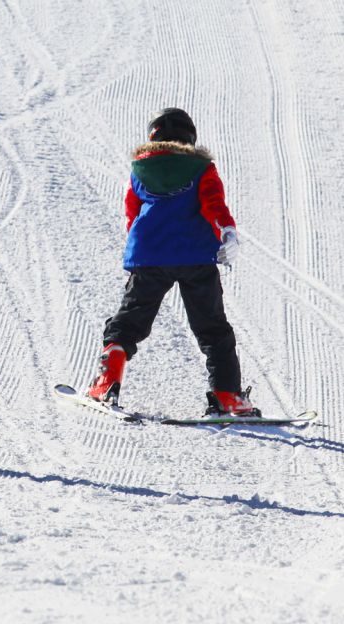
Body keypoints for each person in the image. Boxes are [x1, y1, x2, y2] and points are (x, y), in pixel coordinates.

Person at [85, 107, 258, 416]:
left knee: (129, 321)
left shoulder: (140, 169)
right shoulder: (202, 168)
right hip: (196, 258)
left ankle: (106, 381)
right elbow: (213, 204)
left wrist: (143, 250)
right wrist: (227, 231)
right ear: (190, 138)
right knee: (212, 327)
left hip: (150, 257)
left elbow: (132, 214)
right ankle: (227, 395)